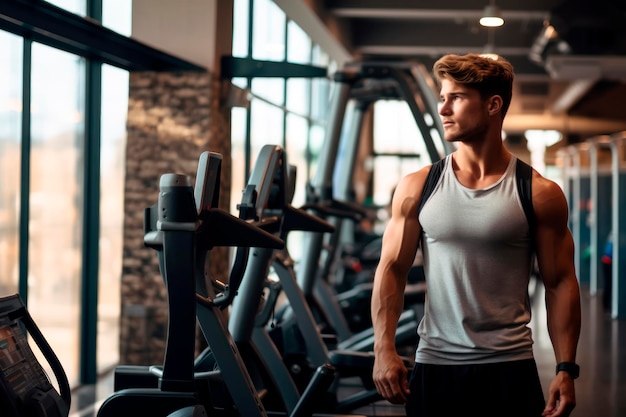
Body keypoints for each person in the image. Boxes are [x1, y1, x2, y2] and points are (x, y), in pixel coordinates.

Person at [370, 53, 581, 417]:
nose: (443, 110)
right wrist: (383, 348)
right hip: (435, 365)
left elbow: (560, 282)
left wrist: (565, 369)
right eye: (442, 98)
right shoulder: (418, 186)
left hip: (509, 368)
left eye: (457, 98)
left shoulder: (539, 192)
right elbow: (391, 269)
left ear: (493, 105)